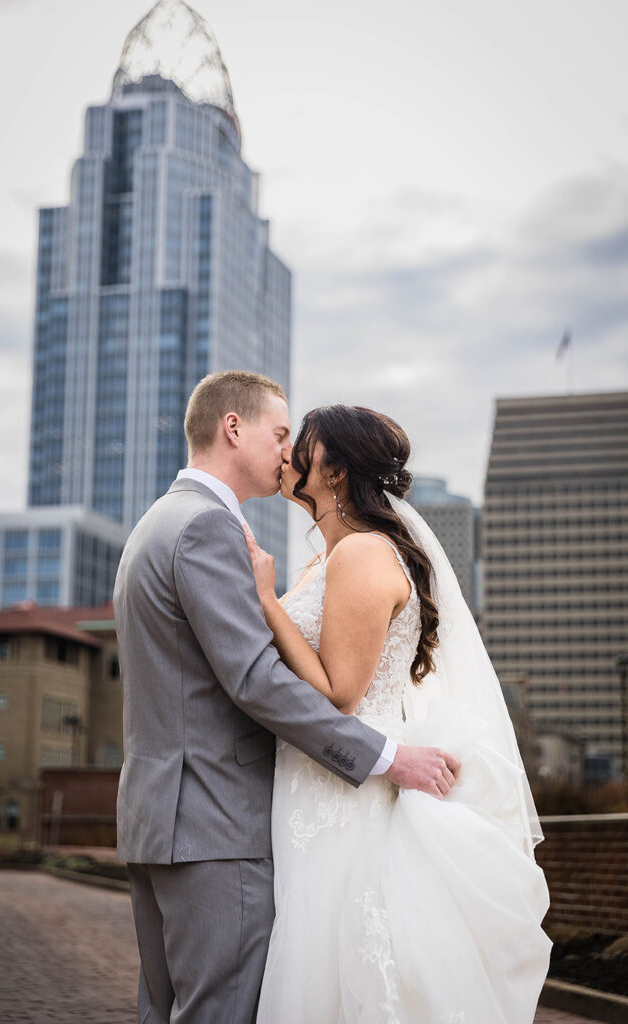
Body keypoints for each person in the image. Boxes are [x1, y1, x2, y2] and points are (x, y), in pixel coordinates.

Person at [113, 371, 460, 1024]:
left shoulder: (157, 524)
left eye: (297, 442)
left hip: (161, 818)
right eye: (279, 434)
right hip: (214, 822)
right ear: (232, 428)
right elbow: (254, 680)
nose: (287, 452)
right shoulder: (206, 528)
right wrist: (387, 757)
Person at [245, 404, 552, 1024]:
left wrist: (263, 602)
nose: (286, 454)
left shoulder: (361, 554)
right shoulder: (327, 557)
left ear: (333, 471)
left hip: (342, 794)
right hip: (317, 781)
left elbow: (340, 693)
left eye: (301, 444)